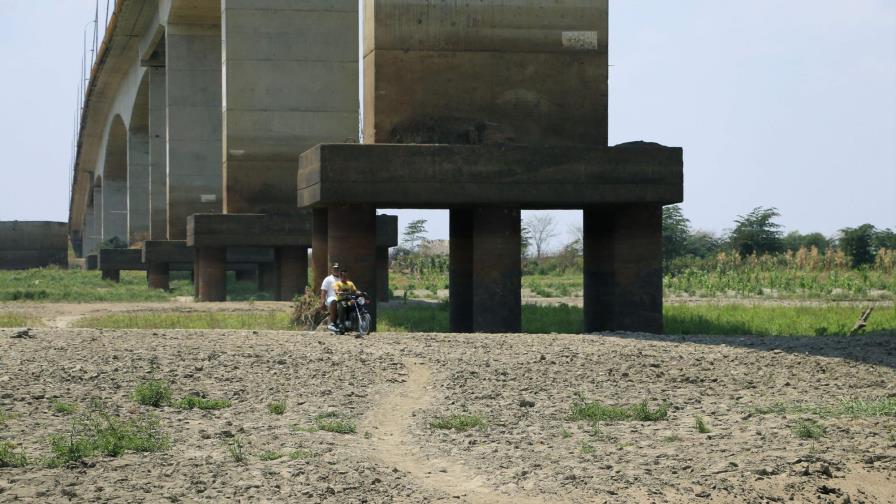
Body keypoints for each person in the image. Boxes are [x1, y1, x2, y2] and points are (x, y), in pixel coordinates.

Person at [320, 263, 341, 330]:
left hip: (341, 298)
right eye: (334, 268)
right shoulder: (328, 279)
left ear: (340, 270)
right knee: (334, 301)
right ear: (332, 269)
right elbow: (324, 291)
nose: (336, 270)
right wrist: (322, 301)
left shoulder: (343, 279)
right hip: (331, 298)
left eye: (337, 268)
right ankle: (332, 323)